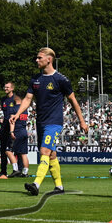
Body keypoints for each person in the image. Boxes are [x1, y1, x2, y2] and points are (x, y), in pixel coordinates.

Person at [12, 48, 87, 196]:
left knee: (44, 151)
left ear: (49, 59)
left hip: (54, 122)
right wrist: (17, 113)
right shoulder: (35, 79)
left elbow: (73, 101)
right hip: (40, 122)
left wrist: (82, 121)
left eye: (39, 57)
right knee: (51, 155)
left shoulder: (61, 80)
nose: (36, 60)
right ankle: (59, 187)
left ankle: (36, 184)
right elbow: (27, 99)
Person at [0, 82, 19, 178]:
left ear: (12, 88)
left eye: (7, 87)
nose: (5, 89)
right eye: (5, 87)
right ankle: (3, 170)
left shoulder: (16, 99)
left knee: (14, 149)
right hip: (4, 125)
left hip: (13, 126)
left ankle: (18, 170)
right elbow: (5, 113)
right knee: (3, 149)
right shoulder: (3, 100)